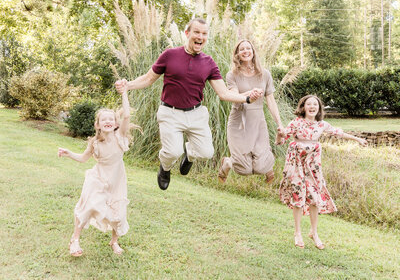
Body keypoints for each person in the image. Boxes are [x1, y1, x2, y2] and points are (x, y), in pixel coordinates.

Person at [115, 18, 263, 191]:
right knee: (172, 152)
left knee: (206, 153)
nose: (200, 36)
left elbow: (223, 93)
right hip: (170, 112)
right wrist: (128, 85)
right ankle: (165, 167)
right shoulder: (170, 55)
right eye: (197, 32)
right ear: (187, 34)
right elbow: (148, 79)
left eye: (204, 33)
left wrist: (246, 98)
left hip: (196, 114)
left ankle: (190, 154)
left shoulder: (209, 62)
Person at [277, 95, 367, 250]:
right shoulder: (296, 122)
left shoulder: (321, 124)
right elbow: (281, 140)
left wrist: (357, 139)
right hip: (297, 164)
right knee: (298, 196)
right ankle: (297, 233)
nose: (312, 106)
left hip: (313, 166)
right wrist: (280, 134)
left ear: (319, 108)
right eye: (309, 104)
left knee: (314, 197)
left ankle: (314, 232)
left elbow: (339, 133)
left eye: (315, 104)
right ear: (303, 107)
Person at [58, 82, 134, 257]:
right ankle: (75, 240)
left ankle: (114, 241)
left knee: (118, 213)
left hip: (116, 181)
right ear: (98, 125)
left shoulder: (120, 136)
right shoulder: (95, 143)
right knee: (88, 206)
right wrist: (69, 153)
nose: (108, 121)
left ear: (115, 124)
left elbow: (127, 115)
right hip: (98, 179)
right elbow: (84, 158)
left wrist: (124, 92)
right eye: (103, 119)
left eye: (111, 119)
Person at [217, 39, 284, 184]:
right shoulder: (232, 74)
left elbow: (271, 101)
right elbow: (233, 97)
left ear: (253, 52)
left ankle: (266, 166)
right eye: (242, 49)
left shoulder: (264, 74)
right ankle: (228, 162)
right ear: (237, 54)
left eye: (248, 48)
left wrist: (280, 124)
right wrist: (250, 94)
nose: (245, 51)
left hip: (258, 120)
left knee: (260, 168)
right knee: (244, 170)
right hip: (238, 121)